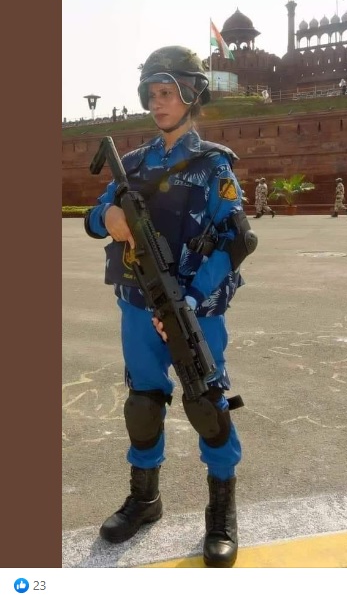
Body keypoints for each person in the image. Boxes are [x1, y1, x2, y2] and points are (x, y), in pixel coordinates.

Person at [84, 46, 257, 568]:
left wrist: (192, 299)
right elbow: (94, 216)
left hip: (195, 309)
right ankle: (145, 498)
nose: (158, 103)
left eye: (168, 93)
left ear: (191, 95)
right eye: (152, 94)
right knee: (143, 401)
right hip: (139, 303)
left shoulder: (212, 165)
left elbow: (237, 240)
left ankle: (221, 512)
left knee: (208, 402)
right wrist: (107, 217)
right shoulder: (133, 165)